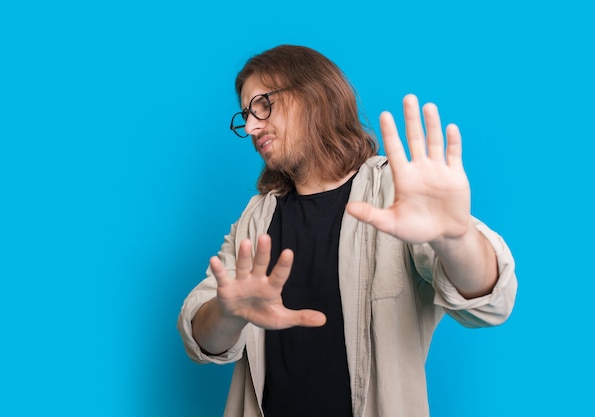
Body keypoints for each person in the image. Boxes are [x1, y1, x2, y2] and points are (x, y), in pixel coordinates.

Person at [177, 44, 517, 417]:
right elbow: (201, 339)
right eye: (246, 115)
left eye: (262, 105)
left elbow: (490, 302)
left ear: (314, 95)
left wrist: (456, 239)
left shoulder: (393, 191)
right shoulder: (255, 217)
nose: (253, 126)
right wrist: (228, 312)